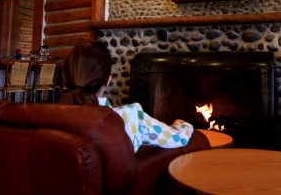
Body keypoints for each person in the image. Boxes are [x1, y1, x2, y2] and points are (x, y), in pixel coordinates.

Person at [59, 41, 194, 152]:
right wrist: (181, 124)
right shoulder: (129, 117)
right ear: (108, 80)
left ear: (66, 78)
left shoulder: (49, 119)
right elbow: (179, 139)